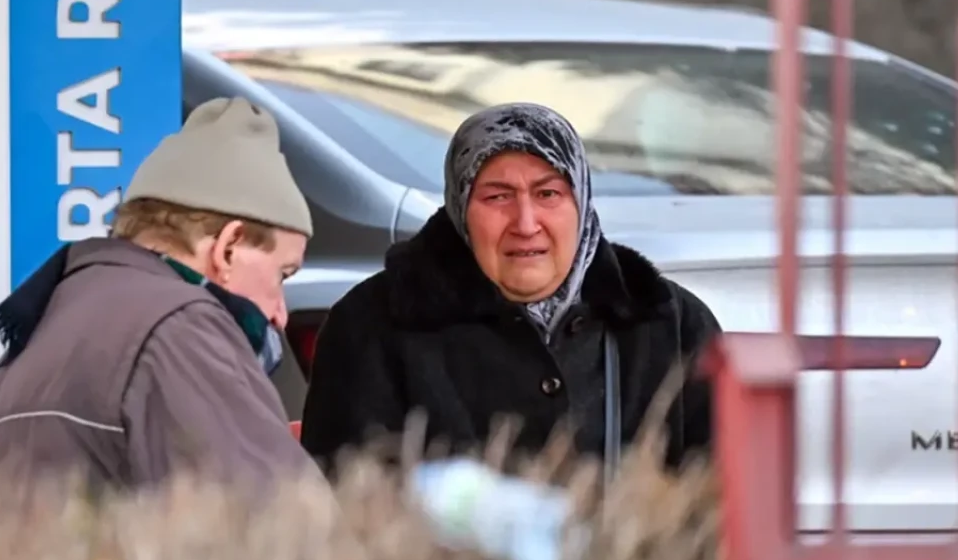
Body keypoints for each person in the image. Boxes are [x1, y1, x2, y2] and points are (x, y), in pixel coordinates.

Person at [299, 102, 722, 476]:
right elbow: (352, 503)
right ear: (461, 209)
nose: (525, 223)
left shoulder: (669, 321)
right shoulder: (373, 326)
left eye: (548, 193)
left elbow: (723, 497)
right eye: (498, 197)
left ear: (581, 200)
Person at [0, 97, 318, 496]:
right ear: (228, 247)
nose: (280, 314)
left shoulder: (51, 320)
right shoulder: (181, 329)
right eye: (283, 274)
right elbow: (289, 527)